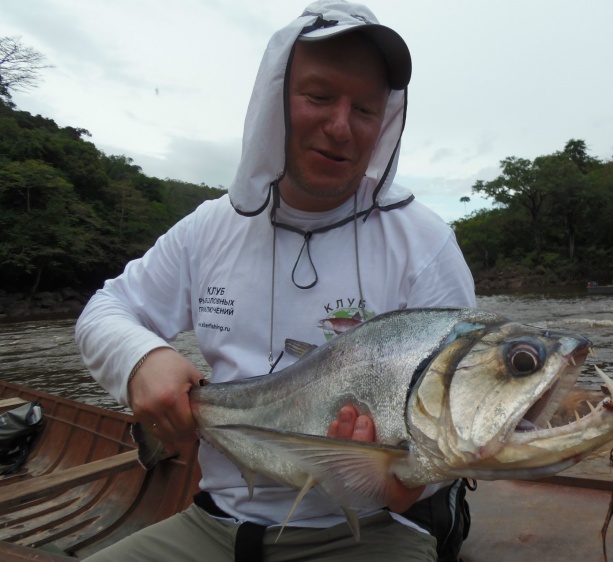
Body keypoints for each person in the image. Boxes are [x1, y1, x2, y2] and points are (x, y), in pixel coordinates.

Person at [75, 2, 476, 561]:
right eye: (318, 96)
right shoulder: (210, 229)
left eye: (364, 108)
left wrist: (408, 479)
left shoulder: (423, 243)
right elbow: (106, 309)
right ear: (274, 99)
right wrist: (142, 359)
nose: (340, 126)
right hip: (212, 524)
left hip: (368, 530)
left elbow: (456, 421)